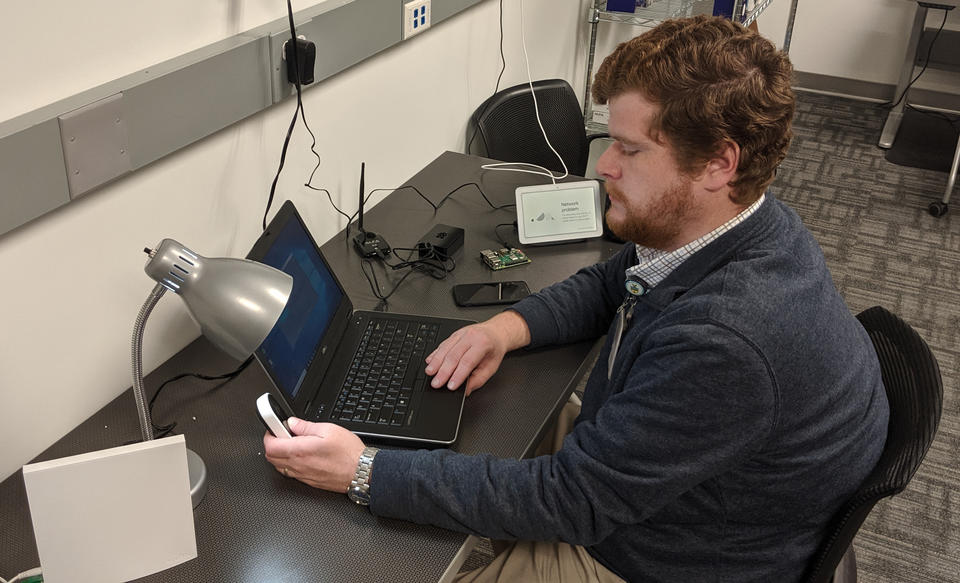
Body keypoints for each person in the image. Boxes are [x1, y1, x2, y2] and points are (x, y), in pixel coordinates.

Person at [264, 15, 890, 582]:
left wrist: (365, 472)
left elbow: (572, 501)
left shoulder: (728, 340)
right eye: (608, 140)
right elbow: (612, 279)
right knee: (464, 429)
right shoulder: (741, 225)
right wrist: (502, 330)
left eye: (631, 148)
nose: (603, 167)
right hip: (662, 486)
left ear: (718, 164)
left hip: (660, 557)